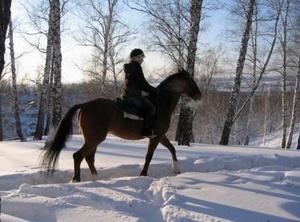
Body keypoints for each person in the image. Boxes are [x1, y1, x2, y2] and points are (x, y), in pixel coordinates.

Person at [121, 48, 158, 138]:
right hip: (133, 95)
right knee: (151, 108)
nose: (143, 60)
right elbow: (143, 84)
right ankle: (146, 131)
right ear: (137, 58)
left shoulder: (130, 67)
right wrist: (155, 91)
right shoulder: (136, 68)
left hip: (127, 93)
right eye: (141, 58)